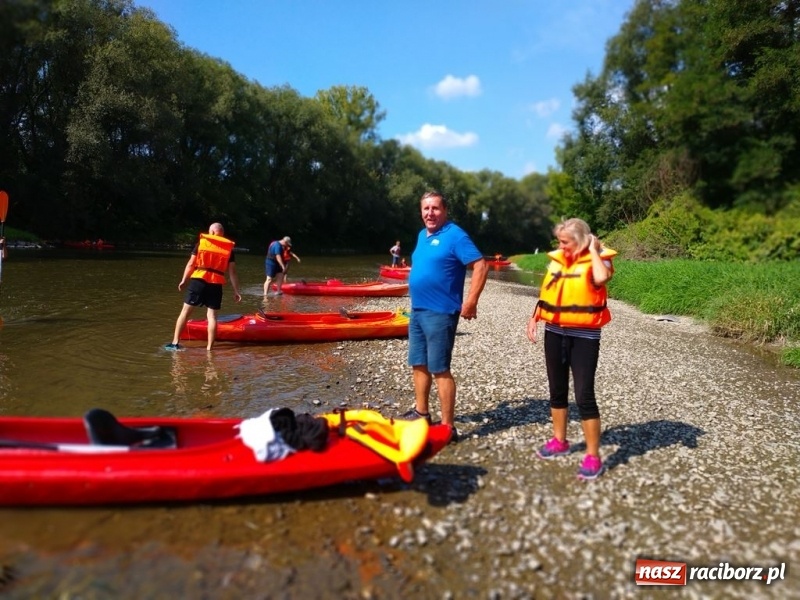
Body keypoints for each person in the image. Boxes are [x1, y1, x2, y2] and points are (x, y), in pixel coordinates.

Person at [526, 218, 616, 481]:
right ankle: (560, 441)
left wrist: (591, 250)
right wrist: (534, 317)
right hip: (554, 332)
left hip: (584, 336)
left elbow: (601, 278)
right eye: (559, 242)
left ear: (580, 240)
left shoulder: (599, 260)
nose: (560, 246)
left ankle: (593, 456)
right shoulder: (559, 261)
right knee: (557, 390)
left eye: (565, 242)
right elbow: (549, 291)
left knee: (584, 394)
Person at [401, 190, 488, 440]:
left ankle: (448, 427)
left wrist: (471, 301)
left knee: (440, 369)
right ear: (421, 212)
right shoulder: (422, 235)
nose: (430, 213)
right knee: (418, 363)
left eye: (435, 208)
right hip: (417, 310)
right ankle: (422, 414)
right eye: (426, 208)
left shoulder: (455, 235)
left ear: (445, 211)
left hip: (440, 312)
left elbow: (481, 265)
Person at [166, 223, 242, 352]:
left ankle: (175, 343)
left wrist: (184, 280)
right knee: (212, 316)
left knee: (185, 312)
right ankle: (209, 348)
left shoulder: (201, 243)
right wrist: (236, 291)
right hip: (216, 283)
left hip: (199, 280)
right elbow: (232, 272)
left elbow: (191, 264)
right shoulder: (229, 249)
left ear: (211, 232)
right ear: (221, 233)